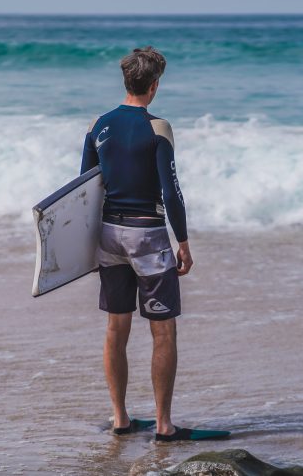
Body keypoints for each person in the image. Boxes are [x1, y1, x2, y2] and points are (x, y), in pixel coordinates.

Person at [80, 46, 229, 443]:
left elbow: (85, 189)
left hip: (108, 235)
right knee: (163, 333)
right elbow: (171, 190)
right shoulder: (158, 127)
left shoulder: (98, 124)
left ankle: (120, 418)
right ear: (155, 85)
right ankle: (164, 425)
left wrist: (84, 249)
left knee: (117, 327)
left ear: (126, 80)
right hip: (147, 237)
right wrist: (183, 242)